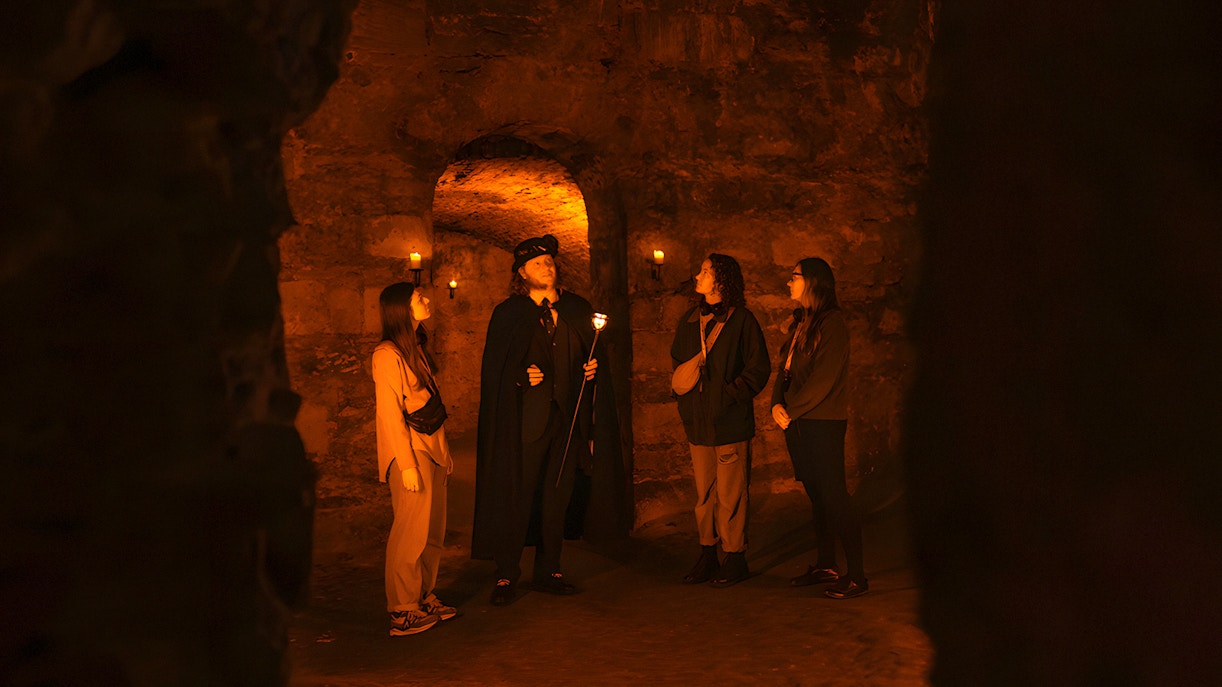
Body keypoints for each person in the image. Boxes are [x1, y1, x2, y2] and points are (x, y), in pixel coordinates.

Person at [472, 233, 612, 606]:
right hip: (525, 424)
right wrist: (519, 375)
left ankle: (550, 570)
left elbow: (591, 355)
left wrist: (592, 369)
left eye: (549, 261)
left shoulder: (578, 309)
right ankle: (506, 574)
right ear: (521, 273)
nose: (546, 267)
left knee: (556, 498)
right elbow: (494, 370)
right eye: (537, 263)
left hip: (566, 421)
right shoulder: (509, 314)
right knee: (517, 497)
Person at [670, 254, 771, 587]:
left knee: (731, 493)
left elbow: (758, 369)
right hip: (697, 423)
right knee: (704, 495)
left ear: (721, 281)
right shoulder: (689, 320)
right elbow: (677, 361)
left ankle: (735, 556)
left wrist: (728, 395)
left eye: (705, 271)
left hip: (728, 422)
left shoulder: (743, 321)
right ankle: (708, 554)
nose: (697, 275)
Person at [771, 258, 867, 599]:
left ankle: (856, 575)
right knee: (817, 495)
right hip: (799, 422)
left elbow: (823, 380)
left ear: (812, 281)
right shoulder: (803, 322)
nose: (788, 282)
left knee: (835, 495)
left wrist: (790, 409)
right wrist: (776, 404)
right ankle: (827, 564)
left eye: (793, 276)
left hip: (822, 422)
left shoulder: (833, 325)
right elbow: (786, 369)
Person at [372, 282, 458, 636]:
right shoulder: (386, 354)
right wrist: (406, 464)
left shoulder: (416, 348)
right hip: (410, 453)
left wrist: (445, 453)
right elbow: (390, 413)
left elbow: (431, 406)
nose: (426, 301)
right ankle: (402, 609)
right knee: (410, 532)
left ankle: (422, 595)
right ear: (401, 308)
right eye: (418, 298)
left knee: (432, 532)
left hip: (431, 450)